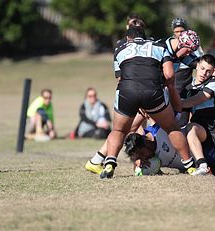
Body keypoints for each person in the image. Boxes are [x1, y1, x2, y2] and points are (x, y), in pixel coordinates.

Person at [85, 29, 202, 175]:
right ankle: (190, 166)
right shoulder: (160, 46)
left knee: (119, 130)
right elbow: (170, 75)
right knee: (171, 128)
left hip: (128, 91)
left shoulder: (120, 49)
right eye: (188, 50)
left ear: (129, 39)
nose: (189, 54)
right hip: (153, 91)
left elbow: (119, 78)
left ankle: (107, 162)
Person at [124, 123, 215, 176]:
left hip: (208, 151)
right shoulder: (147, 157)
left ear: (146, 142)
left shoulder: (160, 130)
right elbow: (139, 169)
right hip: (202, 167)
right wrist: (137, 163)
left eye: (141, 154)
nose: (142, 158)